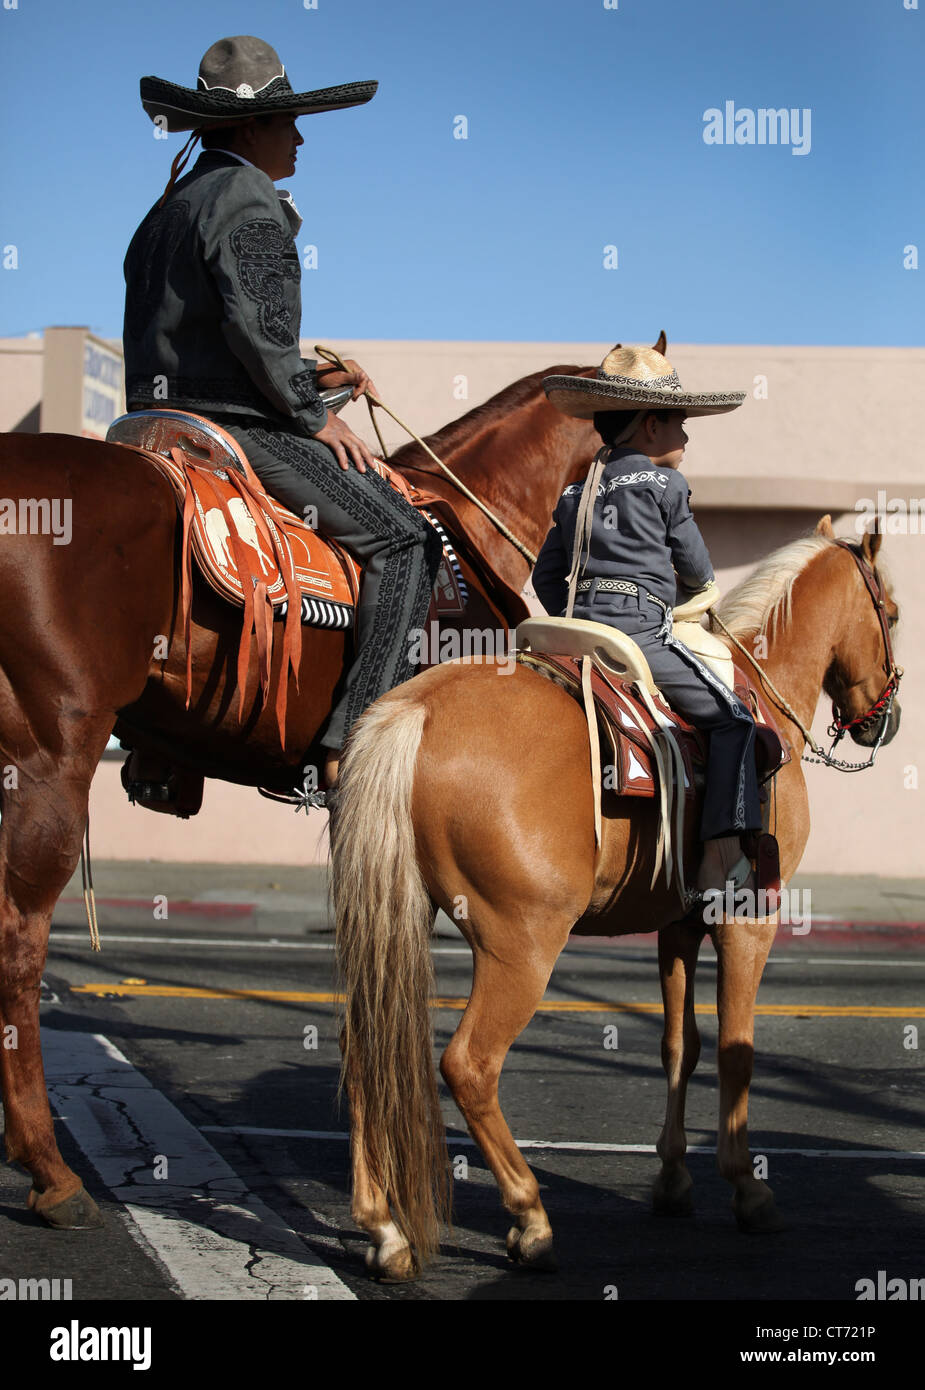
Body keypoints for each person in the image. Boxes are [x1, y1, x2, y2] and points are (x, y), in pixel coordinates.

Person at [123, 35, 442, 792]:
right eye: (287, 122)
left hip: (153, 425)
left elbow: (205, 331)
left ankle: (165, 749)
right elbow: (258, 326)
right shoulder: (245, 196)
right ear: (248, 130)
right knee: (406, 542)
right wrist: (312, 409)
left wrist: (310, 374)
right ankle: (355, 746)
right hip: (235, 426)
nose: (298, 136)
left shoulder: (166, 208)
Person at [535, 337, 761, 899]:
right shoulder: (666, 485)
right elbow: (699, 571)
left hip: (574, 632)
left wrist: (579, 612)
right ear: (651, 426)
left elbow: (545, 578)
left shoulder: (573, 492)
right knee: (734, 718)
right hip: (638, 632)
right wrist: (683, 598)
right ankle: (720, 855)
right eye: (680, 421)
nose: (685, 435)